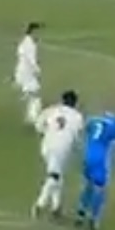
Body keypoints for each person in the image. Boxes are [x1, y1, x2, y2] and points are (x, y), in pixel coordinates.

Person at [32, 90, 84, 220]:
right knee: (54, 176)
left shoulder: (52, 110)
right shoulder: (77, 116)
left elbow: (38, 125)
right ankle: (40, 204)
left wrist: (47, 132)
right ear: (75, 103)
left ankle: (56, 207)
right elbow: (77, 136)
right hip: (62, 148)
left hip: (46, 145)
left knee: (57, 175)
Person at [75, 110, 115, 230]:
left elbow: (83, 131)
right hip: (101, 159)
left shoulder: (94, 120)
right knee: (100, 188)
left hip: (88, 155)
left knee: (87, 184)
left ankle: (81, 213)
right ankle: (94, 218)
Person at [14, 22, 44, 126]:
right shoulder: (30, 44)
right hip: (27, 72)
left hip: (23, 71)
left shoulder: (25, 42)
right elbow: (31, 60)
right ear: (33, 31)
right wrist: (37, 71)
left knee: (32, 94)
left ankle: (31, 115)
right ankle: (32, 118)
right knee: (35, 94)